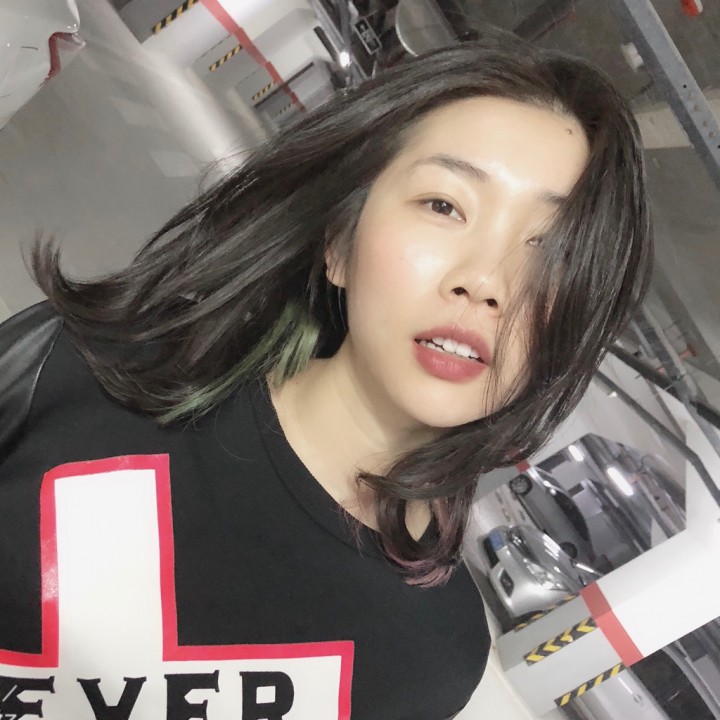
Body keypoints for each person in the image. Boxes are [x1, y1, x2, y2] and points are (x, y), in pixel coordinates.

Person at [0, 39, 652, 720]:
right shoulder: (82, 370)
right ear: (340, 242)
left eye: (552, 253)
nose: (485, 280)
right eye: (443, 206)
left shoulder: (429, 661)